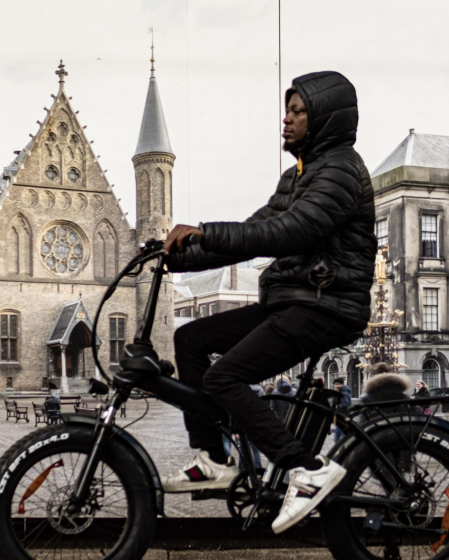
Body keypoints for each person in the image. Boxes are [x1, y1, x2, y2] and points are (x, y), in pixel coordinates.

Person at [160, 70, 375, 534]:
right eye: (288, 110)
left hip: (326, 304)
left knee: (224, 376)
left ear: (324, 118)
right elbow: (252, 233)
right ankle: (215, 458)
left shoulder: (339, 169)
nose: (287, 119)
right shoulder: (298, 174)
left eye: (299, 112)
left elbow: (288, 232)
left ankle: (307, 468)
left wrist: (204, 229)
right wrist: (172, 258)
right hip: (294, 299)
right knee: (191, 338)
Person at [331, 377, 352, 442]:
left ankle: (338, 444)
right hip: (344, 414)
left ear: (342, 384)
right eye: (335, 384)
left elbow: (346, 403)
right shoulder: (341, 391)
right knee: (342, 429)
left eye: (338, 384)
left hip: (344, 414)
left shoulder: (344, 392)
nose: (336, 386)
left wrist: (338, 407)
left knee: (339, 429)